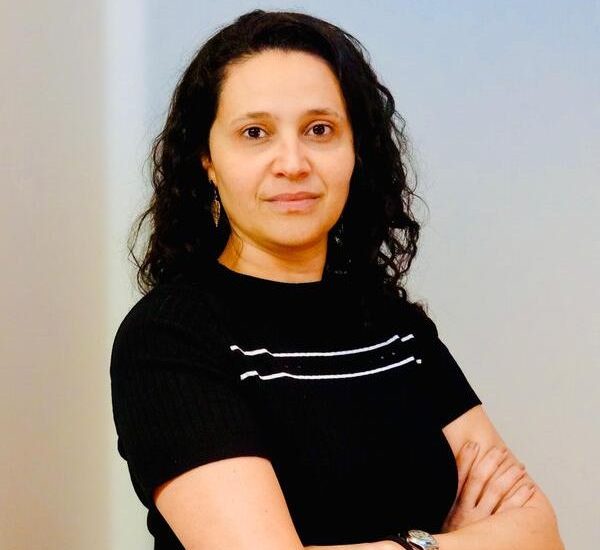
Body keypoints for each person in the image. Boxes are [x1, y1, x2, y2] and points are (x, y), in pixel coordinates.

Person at [110, 9, 564, 550]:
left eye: (319, 130)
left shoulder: (395, 326)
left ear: (356, 151)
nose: (293, 162)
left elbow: (542, 535)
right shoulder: (170, 336)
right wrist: (430, 542)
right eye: (255, 133)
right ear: (207, 159)